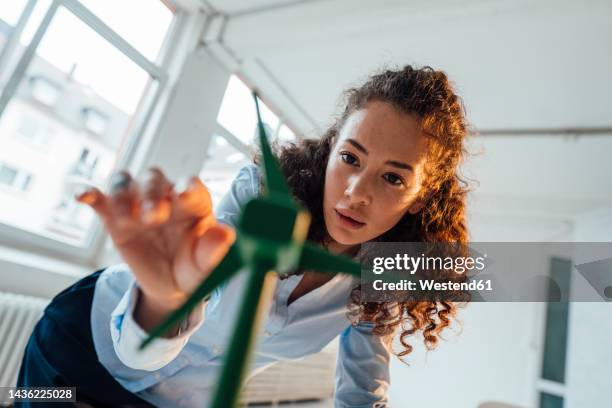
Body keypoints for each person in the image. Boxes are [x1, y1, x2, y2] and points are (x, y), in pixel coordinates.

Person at [17, 65, 471, 407]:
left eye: (392, 179)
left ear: (419, 198)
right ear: (332, 148)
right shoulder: (259, 194)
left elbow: (363, 388)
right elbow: (150, 338)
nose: (356, 194)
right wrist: (163, 302)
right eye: (351, 158)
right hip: (77, 346)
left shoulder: (382, 283)